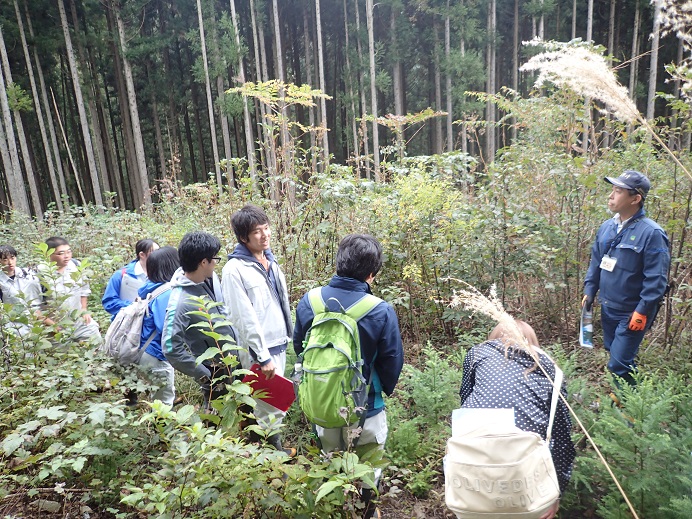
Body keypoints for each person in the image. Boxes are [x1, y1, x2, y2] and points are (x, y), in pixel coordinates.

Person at [293, 234, 404, 519]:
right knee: (369, 466)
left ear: (339, 261)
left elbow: (299, 349)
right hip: (367, 407)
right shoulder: (380, 310)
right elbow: (392, 362)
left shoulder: (310, 302)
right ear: (371, 273)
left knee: (331, 461)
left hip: (322, 404)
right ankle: (367, 511)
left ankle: (335, 509)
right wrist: (384, 390)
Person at [459, 320, 575, 519]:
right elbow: (562, 439)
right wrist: (555, 494)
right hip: (525, 473)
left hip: (472, 464)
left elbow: (465, 399)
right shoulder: (551, 370)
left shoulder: (478, 354)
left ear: (493, 340)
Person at [582, 170, 670, 387]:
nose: (611, 196)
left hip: (632, 313)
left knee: (618, 364)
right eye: (612, 190)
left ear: (635, 198)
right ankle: (621, 400)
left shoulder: (652, 233)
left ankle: (630, 411)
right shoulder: (607, 227)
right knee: (615, 355)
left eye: (618, 191)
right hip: (608, 306)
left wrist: (642, 310)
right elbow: (596, 262)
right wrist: (589, 290)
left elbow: (656, 279)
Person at [221, 205, 294, 454]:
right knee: (268, 408)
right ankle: (272, 459)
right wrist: (262, 356)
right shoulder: (234, 270)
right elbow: (243, 317)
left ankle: (269, 453)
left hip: (278, 343)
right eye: (257, 232)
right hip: (259, 351)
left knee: (277, 403)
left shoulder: (269, 260)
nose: (265, 235)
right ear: (243, 238)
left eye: (266, 228)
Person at [163, 231, 239, 409]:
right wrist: (203, 373)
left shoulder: (211, 278)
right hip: (214, 370)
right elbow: (170, 347)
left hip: (232, 359)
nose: (216, 264)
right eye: (215, 259)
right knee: (215, 418)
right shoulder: (180, 302)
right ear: (203, 262)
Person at [136, 246, 179, 406]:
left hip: (143, 352)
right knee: (164, 402)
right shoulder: (166, 293)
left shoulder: (149, 288)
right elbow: (166, 327)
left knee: (158, 398)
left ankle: (159, 427)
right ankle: (162, 430)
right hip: (156, 354)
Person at [40, 236, 101, 344]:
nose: (66, 256)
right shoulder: (39, 274)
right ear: (48, 255)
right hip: (55, 326)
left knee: (97, 344)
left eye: (69, 252)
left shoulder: (76, 266)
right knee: (62, 358)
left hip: (79, 321)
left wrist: (84, 309)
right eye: (61, 253)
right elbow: (34, 307)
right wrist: (52, 325)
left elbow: (84, 290)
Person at [102, 238, 159, 319]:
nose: (158, 255)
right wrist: (133, 305)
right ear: (142, 255)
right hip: (126, 324)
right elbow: (109, 302)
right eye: (154, 252)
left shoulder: (160, 274)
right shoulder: (121, 275)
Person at [0, 244, 42, 339]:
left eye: (12, 258)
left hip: (34, 324)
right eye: (5, 259)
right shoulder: (1, 282)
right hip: (12, 329)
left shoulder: (29, 274)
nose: (10, 262)